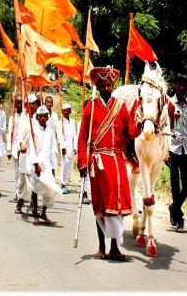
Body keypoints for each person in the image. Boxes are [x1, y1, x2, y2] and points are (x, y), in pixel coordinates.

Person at [77, 65, 141, 260]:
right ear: (97, 85)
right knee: (100, 206)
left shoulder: (121, 107)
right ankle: (101, 247)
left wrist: (139, 126)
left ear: (113, 86)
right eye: (103, 85)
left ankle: (115, 247)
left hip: (116, 161)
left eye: (109, 85)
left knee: (116, 206)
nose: (106, 88)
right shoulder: (90, 108)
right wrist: (82, 163)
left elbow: (130, 132)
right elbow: (82, 139)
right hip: (97, 163)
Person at [167, 73, 187, 233]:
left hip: (185, 149)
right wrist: (173, 116)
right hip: (172, 148)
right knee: (175, 185)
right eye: (179, 84)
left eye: (184, 85)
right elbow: (166, 126)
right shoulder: (169, 103)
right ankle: (179, 219)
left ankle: (173, 207)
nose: (181, 88)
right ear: (175, 86)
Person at [30, 105, 61, 225]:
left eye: (45, 116)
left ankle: (43, 212)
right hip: (36, 162)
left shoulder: (50, 131)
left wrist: (53, 167)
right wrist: (36, 163)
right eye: (40, 116)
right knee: (36, 188)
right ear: (37, 117)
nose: (42, 118)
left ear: (48, 118)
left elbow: (52, 149)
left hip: (47, 163)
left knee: (49, 187)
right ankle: (35, 213)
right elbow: (31, 148)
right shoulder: (34, 130)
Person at [14, 93, 41, 213]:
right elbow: (20, 134)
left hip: (36, 154)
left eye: (33, 104)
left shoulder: (40, 118)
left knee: (34, 179)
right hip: (25, 153)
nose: (31, 106)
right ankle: (20, 202)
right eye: (29, 104)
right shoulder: (23, 119)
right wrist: (21, 143)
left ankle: (35, 207)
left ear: (37, 105)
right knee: (22, 180)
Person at [7, 95, 25, 202]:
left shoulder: (26, 117)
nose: (19, 105)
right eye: (17, 103)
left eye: (20, 103)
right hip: (14, 148)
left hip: (24, 148)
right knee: (17, 172)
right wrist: (9, 150)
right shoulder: (12, 118)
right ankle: (17, 194)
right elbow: (10, 133)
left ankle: (24, 193)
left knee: (25, 172)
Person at [57, 103, 76, 194]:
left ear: (70, 111)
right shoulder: (59, 123)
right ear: (62, 111)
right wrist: (63, 147)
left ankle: (66, 183)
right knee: (64, 165)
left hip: (71, 147)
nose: (66, 112)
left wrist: (75, 147)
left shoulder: (72, 121)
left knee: (70, 166)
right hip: (64, 147)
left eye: (68, 110)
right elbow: (60, 136)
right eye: (64, 110)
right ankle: (62, 184)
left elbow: (74, 135)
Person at [76, 99, 91, 204]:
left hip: (93, 151)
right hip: (84, 150)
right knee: (85, 172)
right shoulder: (81, 122)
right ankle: (84, 193)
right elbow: (79, 138)